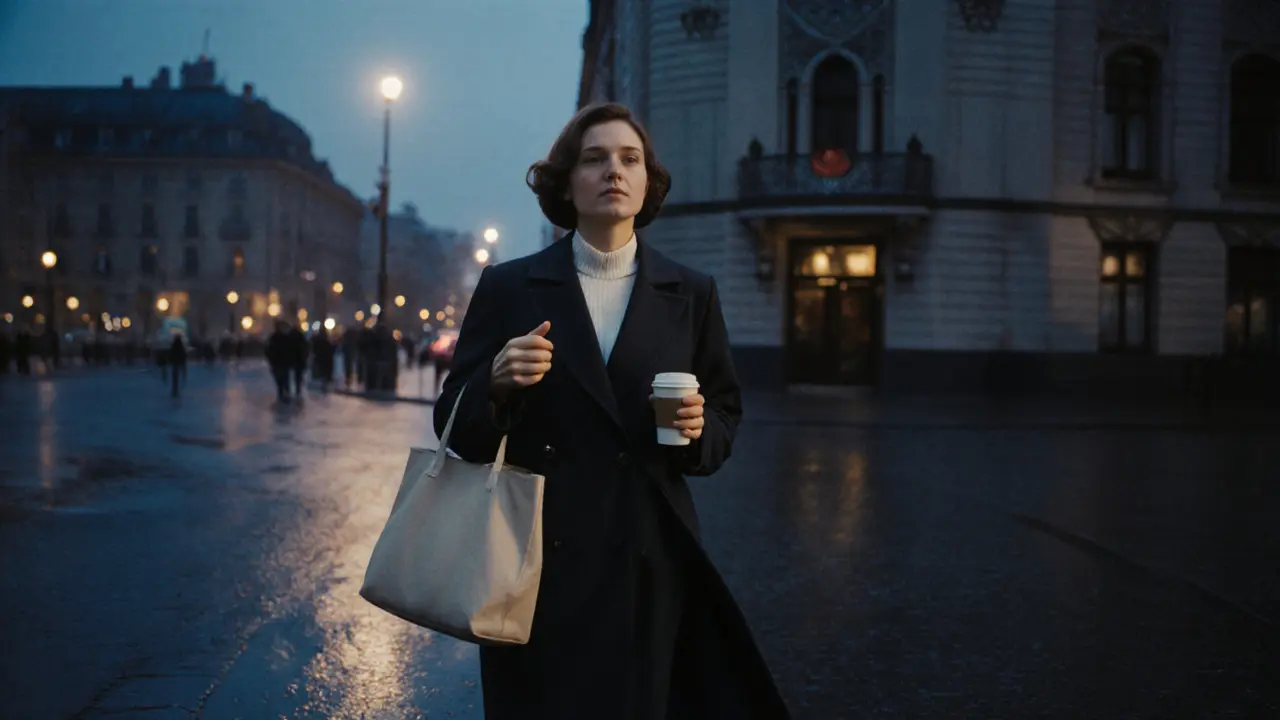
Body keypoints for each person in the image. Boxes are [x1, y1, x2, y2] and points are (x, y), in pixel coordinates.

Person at [433, 102, 791, 720]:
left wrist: (699, 431)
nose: (613, 171)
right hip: (533, 561)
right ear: (566, 183)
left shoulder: (691, 292)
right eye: (594, 158)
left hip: (648, 559)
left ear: (647, 181)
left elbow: (724, 418)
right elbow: (453, 423)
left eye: (630, 159)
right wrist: (494, 385)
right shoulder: (510, 287)